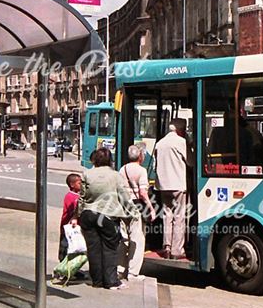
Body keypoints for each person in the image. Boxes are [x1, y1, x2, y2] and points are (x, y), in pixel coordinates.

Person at [79, 148, 135, 290]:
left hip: (88, 214)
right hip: (108, 216)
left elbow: (82, 196)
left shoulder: (87, 173)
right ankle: (110, 281)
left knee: (93, 249)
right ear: (110, 160)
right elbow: (123, 196)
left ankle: (97, 281)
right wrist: (132, 212)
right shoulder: (115, 176)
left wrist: (78, 214)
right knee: (110, 248)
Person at [118, 144, 155, 280]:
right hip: (136, 207)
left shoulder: (123, 169)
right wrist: (151, 208)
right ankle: (133, 273)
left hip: (123, 206)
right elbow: (143, 193)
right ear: (140, 156)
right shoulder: (141, 171)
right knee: (137, 239)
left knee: (124, 238)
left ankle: (120, 269)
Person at [154, 120, 188, 260]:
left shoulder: (160, 143)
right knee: (179, 217)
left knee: (167, 216)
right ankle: (177, 250)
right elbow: (191, 161)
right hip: (178, 185)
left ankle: (166, 246)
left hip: (163, 185)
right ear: (181, 130)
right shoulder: (181, 142)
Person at [58, 173, 82, 262]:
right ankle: (62, 268)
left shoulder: (78, 196)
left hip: (75, 227)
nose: (82, 185)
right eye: (79, 183)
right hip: (67, 226)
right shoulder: (71, 196)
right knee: (65, 247)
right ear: (72, 185)